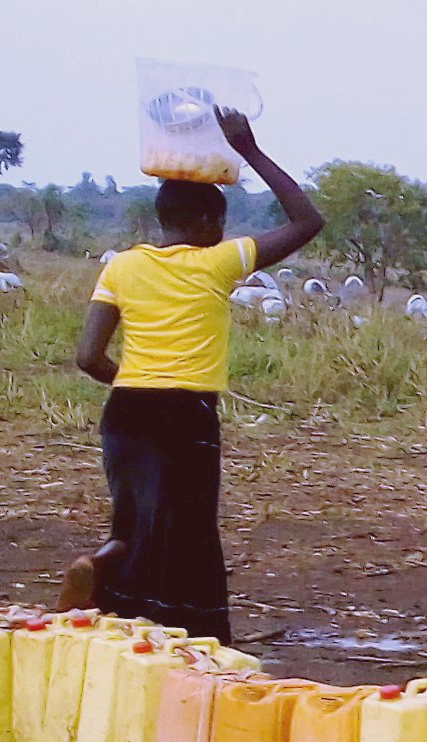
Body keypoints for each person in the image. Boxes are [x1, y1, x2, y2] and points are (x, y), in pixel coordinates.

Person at [72, 108, 324, 642]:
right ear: (210, 225)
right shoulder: (218, 262)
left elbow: (88, 357)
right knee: (187, 533)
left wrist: (135, 379)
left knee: (134, 522)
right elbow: (307, 221)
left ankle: (107, 592)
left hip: (126, 413)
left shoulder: (121, 265)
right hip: (183, 414)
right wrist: (249, 150)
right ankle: (199, 639)